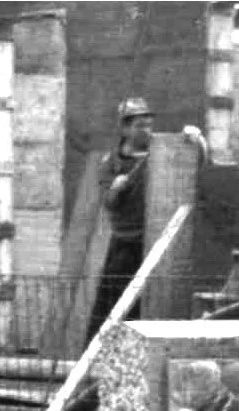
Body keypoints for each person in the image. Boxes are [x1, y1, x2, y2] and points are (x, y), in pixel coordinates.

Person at [87, 96, 155, 341]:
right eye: (139, 125)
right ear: (125, 128)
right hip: (126, 243)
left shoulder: (159, 156)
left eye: (149, 124)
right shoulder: (111, 163)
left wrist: (197, 139)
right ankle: (102, 353)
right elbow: (108, 203)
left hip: (154, 242)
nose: (146, 130)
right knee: (115, 303)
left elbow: (198, 160)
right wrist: (116, 188)